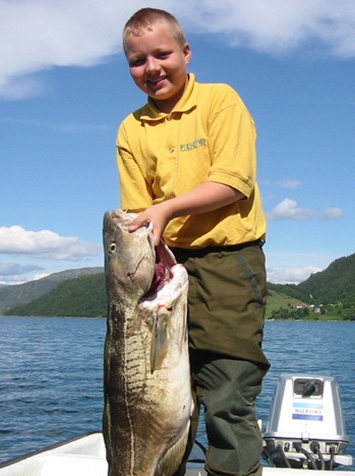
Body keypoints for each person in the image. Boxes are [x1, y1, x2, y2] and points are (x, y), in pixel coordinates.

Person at [116, 8, 270, 476]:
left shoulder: (220, 100)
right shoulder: (130, 129)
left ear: (186, 53)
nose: (152, 68)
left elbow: (234, 182)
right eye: (138, 60)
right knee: (160, 400)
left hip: (227, 263)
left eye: (162, 54)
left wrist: (165, 210)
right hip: (164, 267)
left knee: (227, 391)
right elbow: (138, 217)